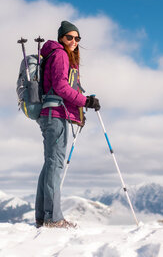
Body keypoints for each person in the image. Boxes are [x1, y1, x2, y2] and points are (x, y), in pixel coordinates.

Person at [35, 20, 100, 229]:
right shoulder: (61, 54)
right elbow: (61, 86)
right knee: (54, 165)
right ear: (61, 38)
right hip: (55, 115)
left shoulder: (54, 54)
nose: (73, 41)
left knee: (50, 165)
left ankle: (42, 216)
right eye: (69, 37)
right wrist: (85, 101)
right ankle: (53, 219)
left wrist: (79, 109)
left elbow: (60, 87)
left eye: (77, 38)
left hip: (51, 113)